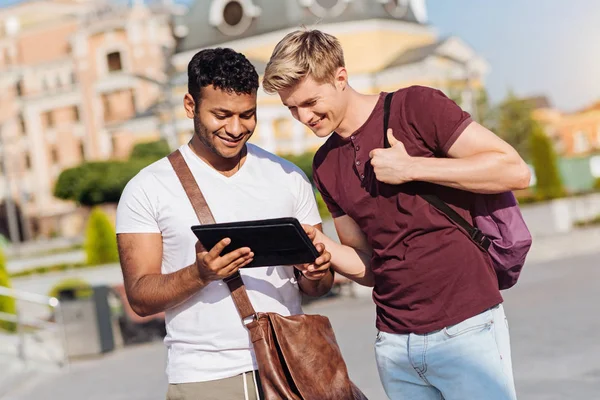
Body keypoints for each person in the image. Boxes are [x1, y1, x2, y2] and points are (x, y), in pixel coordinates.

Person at [262, 29, 531, 400]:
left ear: (340, 77)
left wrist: (414, 168)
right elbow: (369, 265)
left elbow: (514, 170)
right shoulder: (325, 164)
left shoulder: (415, 107)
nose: (302, 117)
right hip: (394, 346)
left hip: (466, 328)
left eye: (309, 102)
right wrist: (318, 246)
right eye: (291, 108)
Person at [115, 47, 333, 400]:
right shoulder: (147, 188)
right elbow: (140, 298)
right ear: (190, 106)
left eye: (247, 115)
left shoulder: (288, 176)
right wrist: (201, 274)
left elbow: (320, 287)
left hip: (292, 364)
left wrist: (314, 271)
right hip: (206, 379)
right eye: (221, 114)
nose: (235, 128)